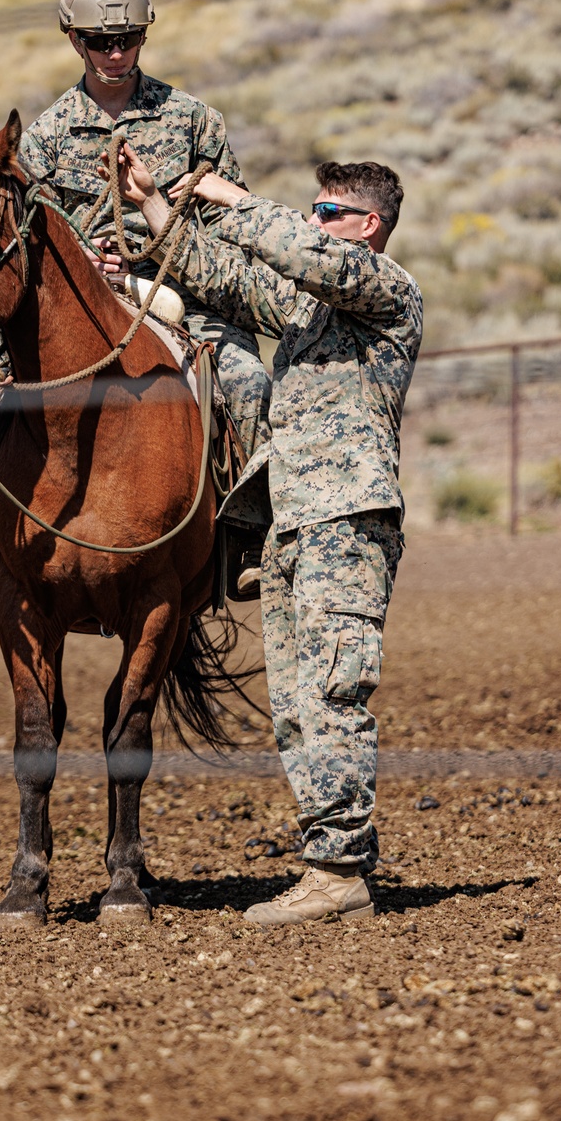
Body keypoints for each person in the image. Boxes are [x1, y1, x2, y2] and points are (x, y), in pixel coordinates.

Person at [113, 142, 423, 926]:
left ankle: (341, 869)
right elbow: (226, 279)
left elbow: (301, 252)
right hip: (292, 518)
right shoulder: (311, 308)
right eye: (313, 209)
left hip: (346, 516)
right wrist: (157, 204)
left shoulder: (385, 290)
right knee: (294, 700)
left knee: (332, 690)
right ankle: (331, 863)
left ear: (369, 226)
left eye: (329, 211)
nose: (315, 221)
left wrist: (226, 194)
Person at [0, 0, 271, 585]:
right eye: (100, 42)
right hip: (77, 300)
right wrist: (89, 263)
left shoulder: (194, 123)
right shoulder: (45, 138)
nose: (116, 53)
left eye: (127, 39)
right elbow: (26, 239)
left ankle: (246, 536)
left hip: (181, 291)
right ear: (73, 41)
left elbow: (233, 220)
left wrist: (162, 252)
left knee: (248, 382)